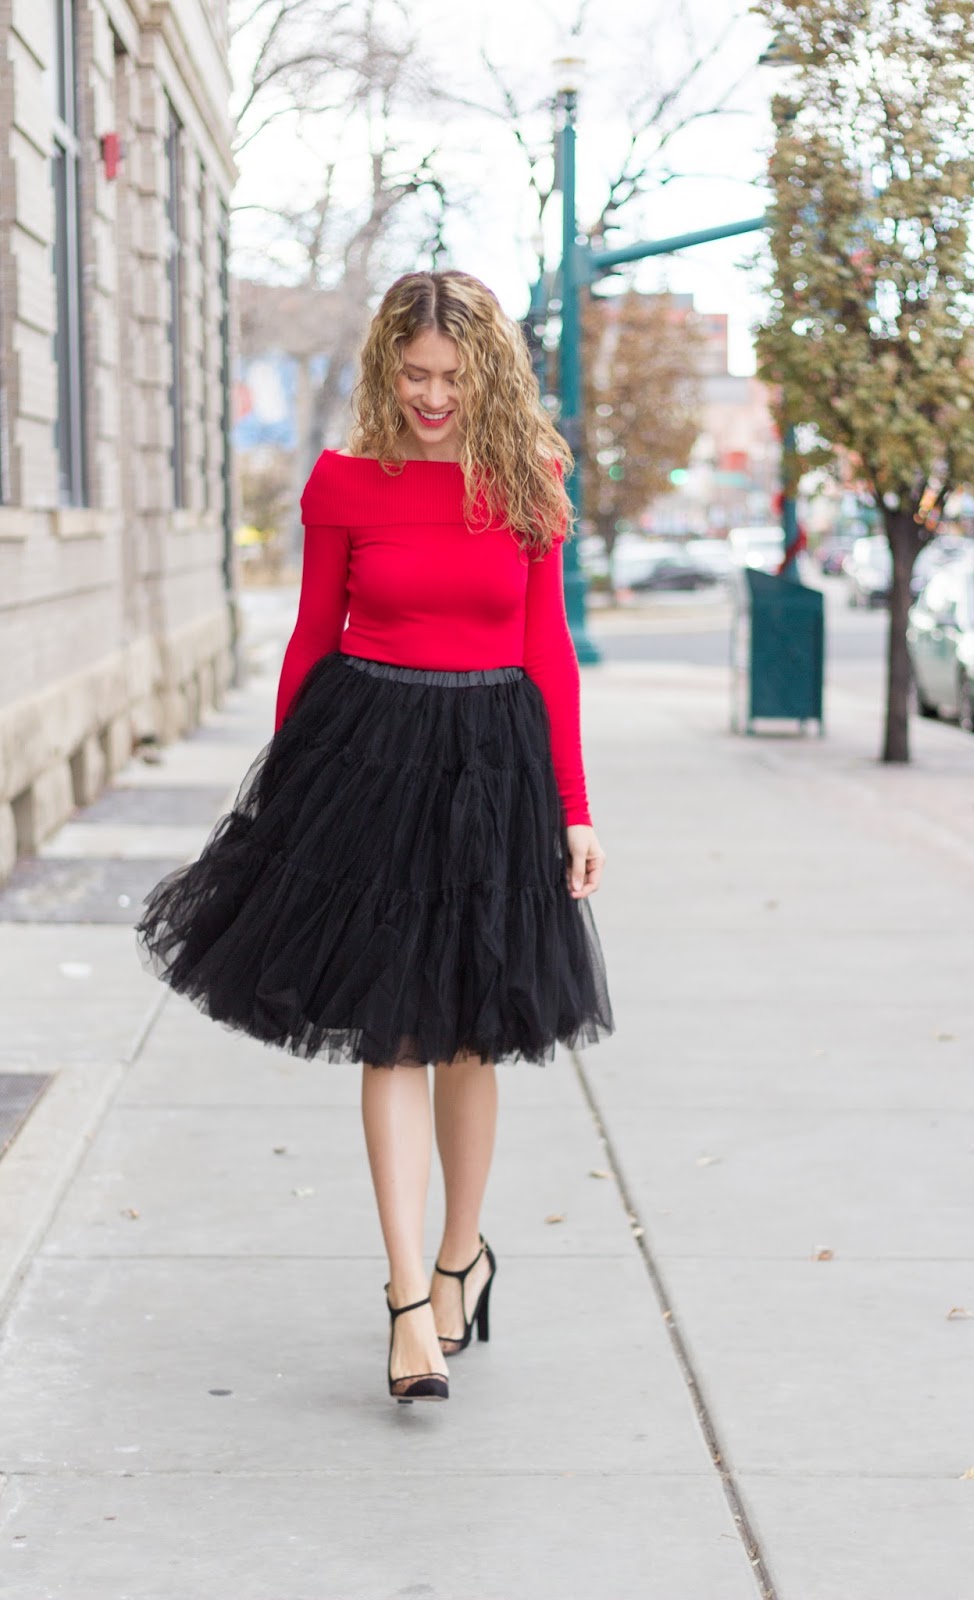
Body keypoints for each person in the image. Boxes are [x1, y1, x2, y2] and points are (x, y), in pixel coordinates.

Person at [134, 268, 613, 1405]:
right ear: (383, 369)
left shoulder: (530, 480)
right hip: (372, 758)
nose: (431, 396)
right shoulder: (345, 482)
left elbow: (548, 651)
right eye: (412, 375)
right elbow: (310, 640)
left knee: (470, 1039)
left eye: (450, 376)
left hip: (495, 764)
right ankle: (407, 1297)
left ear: (485, 370)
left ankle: (462, 1253)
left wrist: (575, 804)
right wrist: (284, 794)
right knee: (390, 1036)